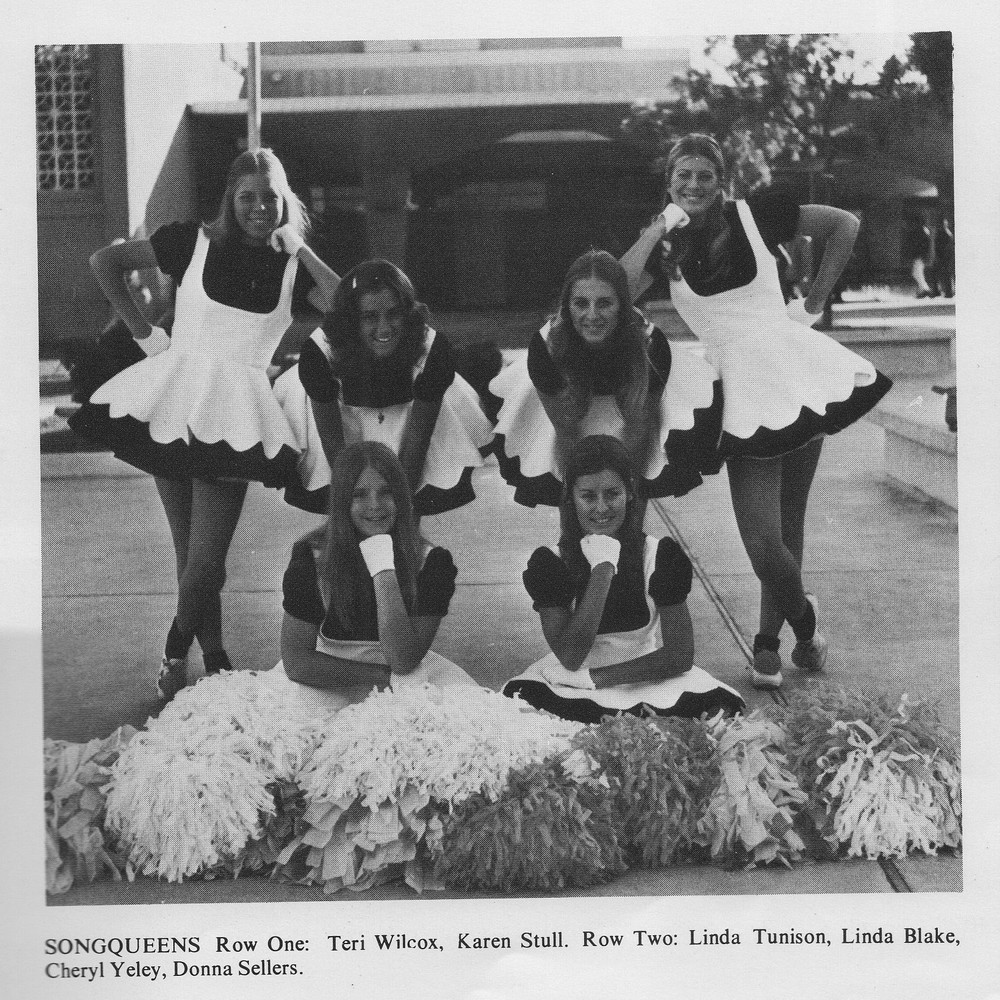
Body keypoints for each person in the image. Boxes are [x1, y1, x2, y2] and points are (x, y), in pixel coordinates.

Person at [620, 133, 892, 691]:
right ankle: (807, 623)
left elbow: (844, 225)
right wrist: (656, 227)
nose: (694, 185)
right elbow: (620, 288)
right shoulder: (666, 249)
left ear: (721, 183)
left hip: (796, 371)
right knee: (764, 543)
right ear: (669, 184)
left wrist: (814, 301)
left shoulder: (756, 214)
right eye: (683, 176)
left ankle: (769, 644)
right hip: (742, 391)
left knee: (789, 523)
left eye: (705, 176)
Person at [68, 148, 341, 701]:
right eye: (247, 197)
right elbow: (106, 262)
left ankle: (174, 649)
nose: (259, 207)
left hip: (235, 416)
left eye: (270, 197)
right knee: (188, 551)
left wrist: (301, 247)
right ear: (229, 199)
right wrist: (145, 334)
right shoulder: (187, 241)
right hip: (173, 402)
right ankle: (213, 654)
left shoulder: (292, 266)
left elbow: (344, 304)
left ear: (285, 201)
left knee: (206, 559)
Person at [502, 435, 744, 724]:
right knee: (528, 712)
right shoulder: (550, 563)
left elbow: (680, 654)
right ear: (571, 497)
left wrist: (595, 679)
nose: (601, 507)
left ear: (629, 492)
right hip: (570, 680)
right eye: (588, 496)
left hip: (644, 677)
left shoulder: (658, 555)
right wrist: (603, 568)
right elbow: (571, 656)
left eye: (612, 494)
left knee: (715, 708)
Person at [489, 250, 723, 508]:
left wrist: (621, 498)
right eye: (580, 304)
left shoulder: (651, 345)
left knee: (629, 503)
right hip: (569, 402)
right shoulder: (545, 349)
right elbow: (566, 432)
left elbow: (637, 430)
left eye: (604, 304)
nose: (592, 315)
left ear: (622, 306)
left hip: (629, 404)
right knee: (577, 505)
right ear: (566, 306)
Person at [267, 441, 477, 718]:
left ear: (402, 497)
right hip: (328, 678)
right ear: (341, 501)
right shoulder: (311, 558)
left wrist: (382, 566)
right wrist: (381, 678)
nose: (375, 505)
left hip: (403, 676)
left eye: (386, 492)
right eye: (359, 494)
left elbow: (402, 660)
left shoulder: (432, 562)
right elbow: (297, 662)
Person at [274, 259, 494, 517]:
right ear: (350, 320)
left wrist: (400, 507)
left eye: (394, 314)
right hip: (342, 421)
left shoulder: (433, 351)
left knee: (408, 507)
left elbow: (417, 440)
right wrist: (355, 504)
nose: (384, 328)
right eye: (369, 317)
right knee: (347, 510)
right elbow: (333, 442)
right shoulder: (318, 354)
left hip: (409, 419)